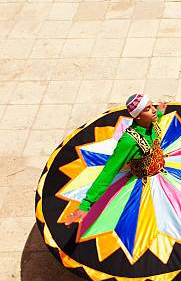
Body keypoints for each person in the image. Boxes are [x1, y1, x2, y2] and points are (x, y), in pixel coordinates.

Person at [64, 94, 167, 225]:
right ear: (137, 116)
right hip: (144, 179)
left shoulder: (151, 120)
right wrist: (86, 204)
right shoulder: (128, 142)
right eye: (147, 109)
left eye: (152, 106)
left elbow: (156, 116)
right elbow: (109, 171)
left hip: (162, 167)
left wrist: (160, 112)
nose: (153, 110)